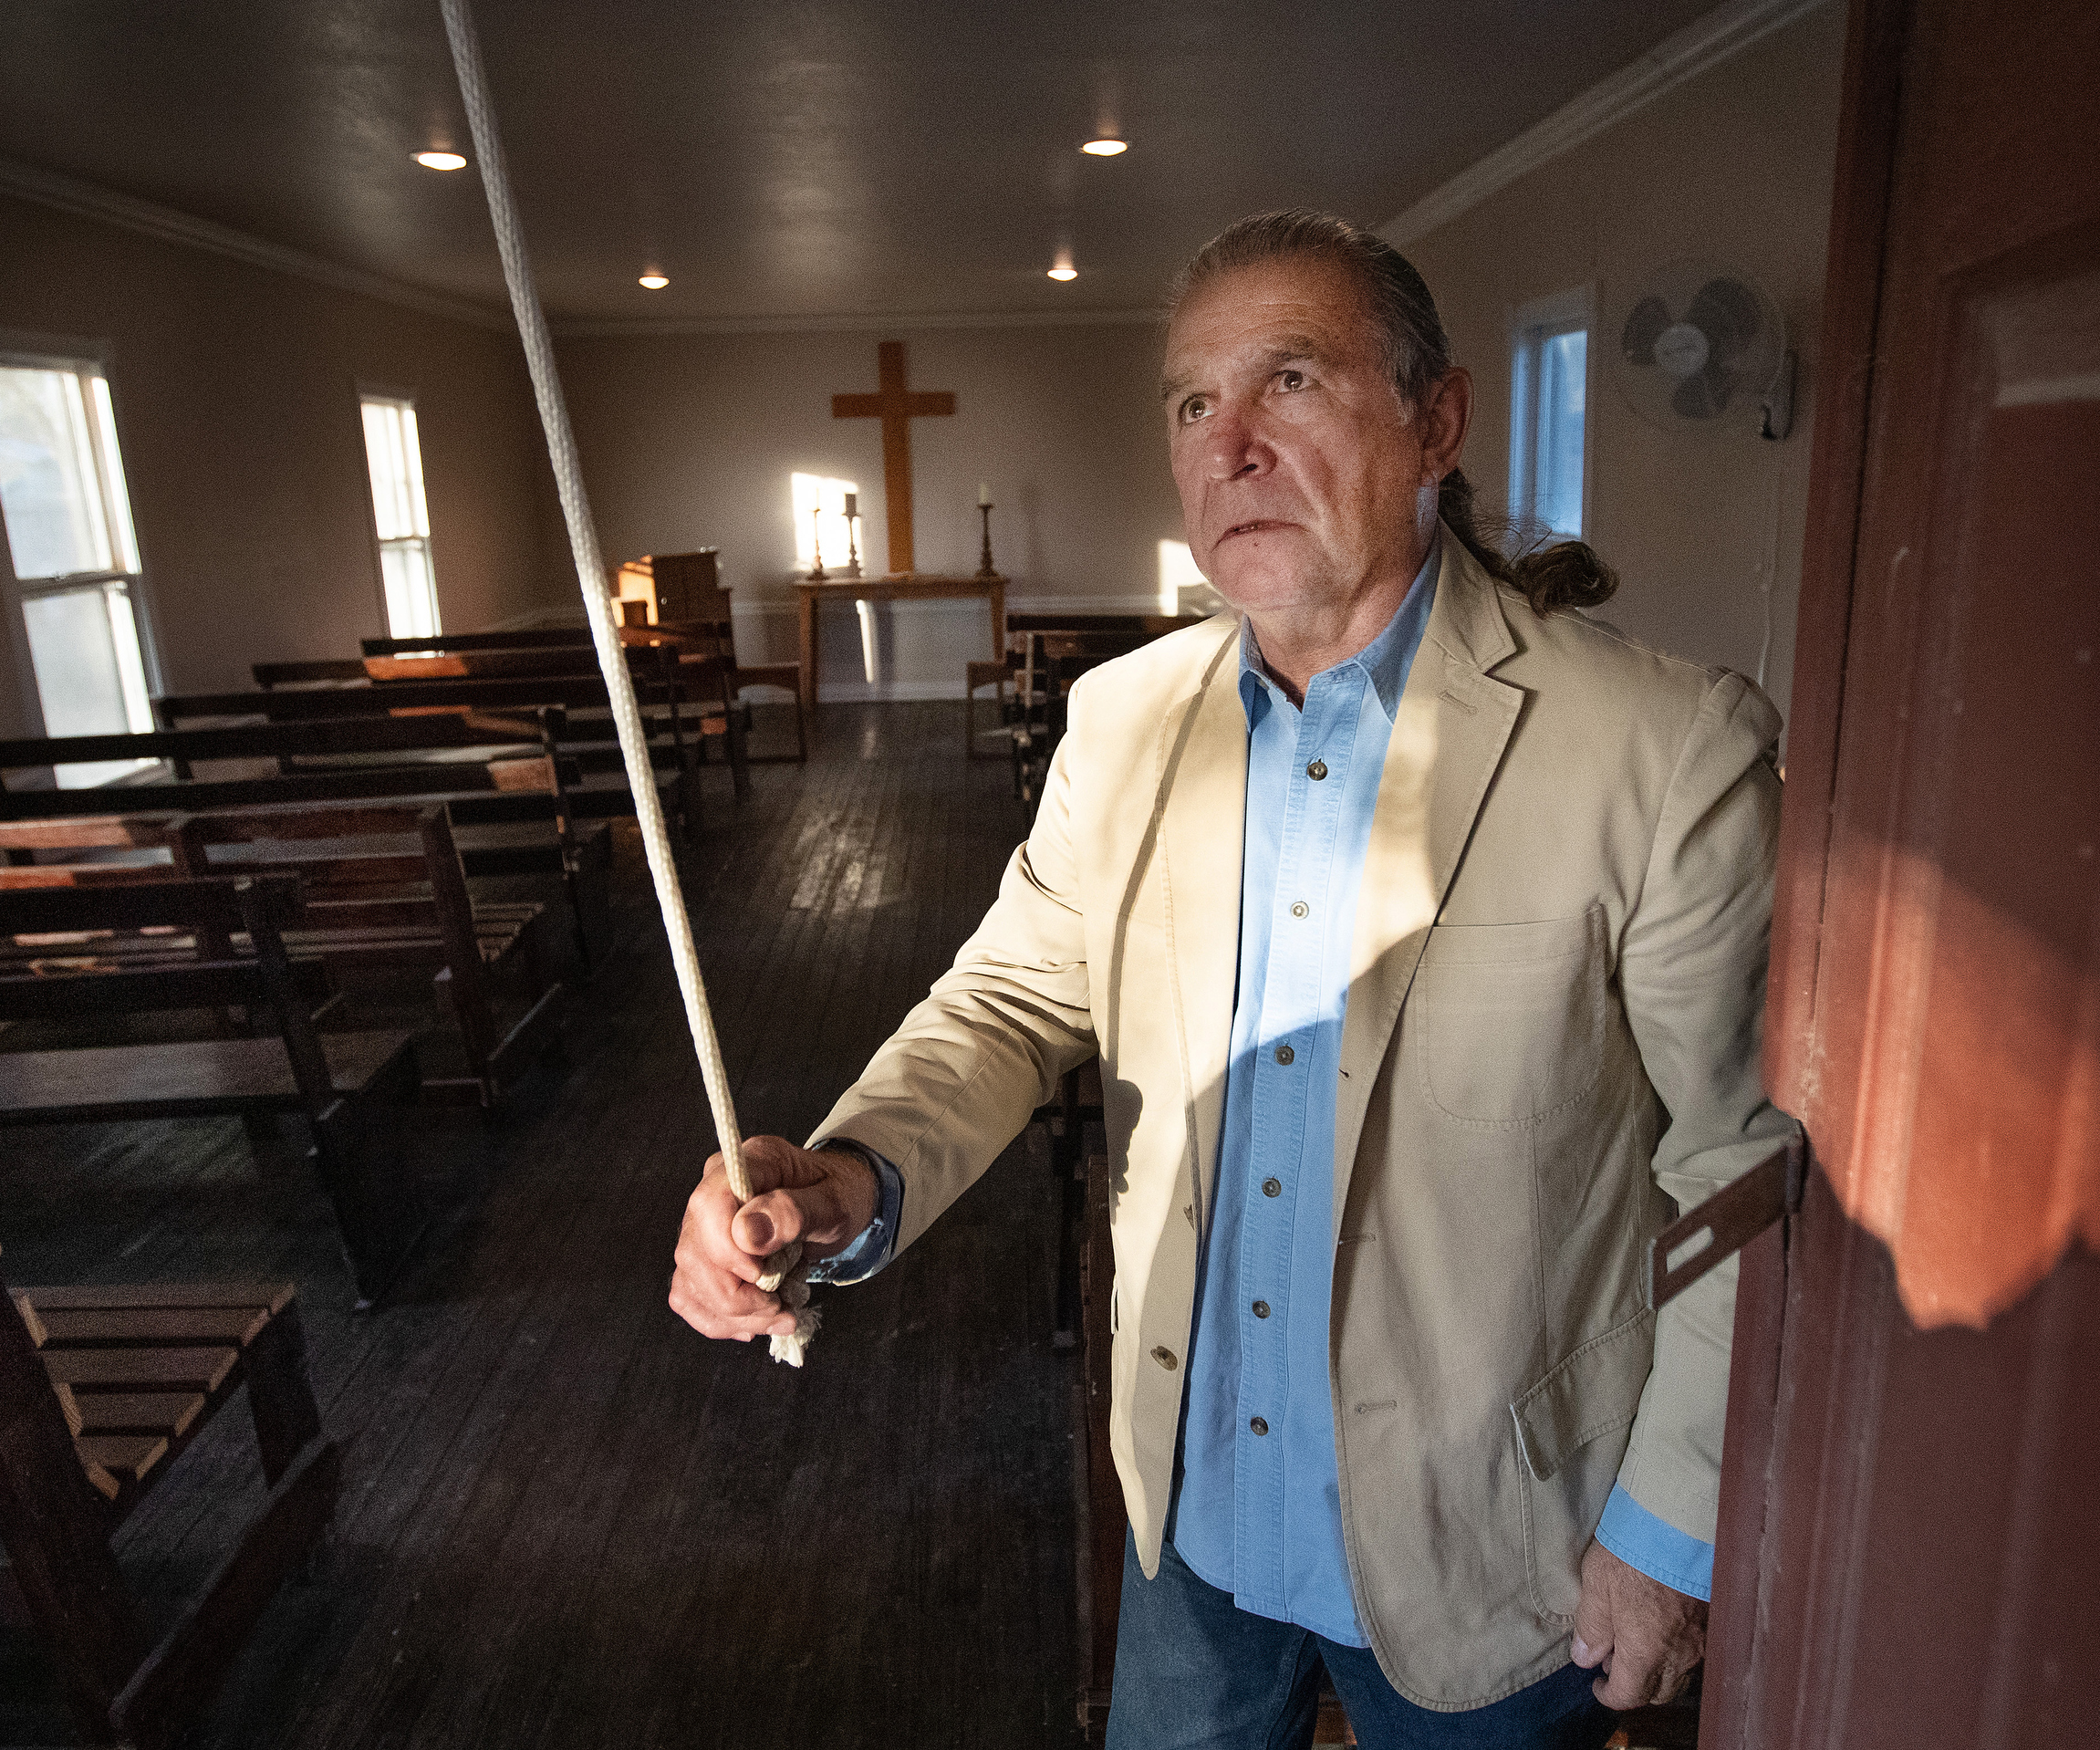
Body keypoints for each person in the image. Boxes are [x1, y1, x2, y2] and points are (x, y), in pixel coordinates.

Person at [668, 209, 1797, 1749]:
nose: (1231, 446)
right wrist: (847, 1172)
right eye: (1196, 403)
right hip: (1195, 1511)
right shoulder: (1125, 720)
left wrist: (1672, 1534)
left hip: (1493, 1539)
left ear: (1437, 420)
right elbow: (1011, 995)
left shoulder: (1659, 748)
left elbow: (1739, 1166)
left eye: (1293, 381)